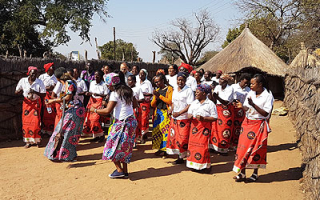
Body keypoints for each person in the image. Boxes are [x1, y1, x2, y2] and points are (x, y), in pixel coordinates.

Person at [89, 72, 137, 178]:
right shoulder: (129, 91)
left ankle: (119, 170)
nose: (107, 87)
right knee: (125, 147)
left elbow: (107, 111)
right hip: (131, 122)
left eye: (108, 85)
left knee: (111, 146)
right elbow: (135, 104)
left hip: (122, 123)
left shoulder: (115, 93)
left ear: (111, 84)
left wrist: (94, 110)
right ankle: (125, 170)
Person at [233, 74, 274, 182]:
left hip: (258, 124)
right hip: (247, 123)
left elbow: (266, 113)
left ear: (260, 84)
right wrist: (242, 106)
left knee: (256, 150)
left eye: (252, 83)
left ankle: (255, 173)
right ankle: (242, 173)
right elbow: (247, 107)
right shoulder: (251, 93)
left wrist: (253, 104)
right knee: (242, 147)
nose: (250, 85)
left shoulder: (268, 95)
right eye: (250, 83)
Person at [44, 67, 85, 161]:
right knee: (64, 132)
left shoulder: (69, 83)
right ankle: (61, 154)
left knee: (69, 133)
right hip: (71, 110)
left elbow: (67, 98)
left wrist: (52, 101)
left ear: (58, 78)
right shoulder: (66, 84)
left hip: (75, 111)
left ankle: (67, 155)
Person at [187, 84, 217, 172]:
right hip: (194, 128)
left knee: (203, 146)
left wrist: (204, 118)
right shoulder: (194, 103)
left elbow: (215, 117)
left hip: (204, 128)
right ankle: (194, 165)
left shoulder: (210, 104)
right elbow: (189, 113)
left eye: (197, 92)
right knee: (193, 146)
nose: (195, 94)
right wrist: (190, 116)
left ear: (204, 93)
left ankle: (205, 166)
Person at [166, 72, 194, 164]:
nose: (180, 82)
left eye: (182, 80)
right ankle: (179, 155)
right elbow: (173, 103)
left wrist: (179, 113)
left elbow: (189, 105)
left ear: (185, 81)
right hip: (175, 118)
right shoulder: (175, 90)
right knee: (175, 137)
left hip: (184, 118)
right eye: (179, 80)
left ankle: (182, 157)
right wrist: (171, 109)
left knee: (183, 138)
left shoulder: (188, 91)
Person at [15, 66, 46, 148]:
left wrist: (35, 92)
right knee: (26, 122)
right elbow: (16, 91)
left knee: (36, 122)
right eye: (32, 74)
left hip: (36, 103)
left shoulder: (39, 82)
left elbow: (44, 94)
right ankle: (28, 142)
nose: (34, 76)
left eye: (35, 74)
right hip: (27, 104)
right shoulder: (23, 81)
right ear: (28, 73)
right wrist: (19, 91)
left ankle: (37, 141)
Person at [210, 74, 235, 155]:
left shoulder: (230, 89)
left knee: (225, 129)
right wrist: (213, 96)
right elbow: (214, 99)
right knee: (215, 128)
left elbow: (226, 102)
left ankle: (223, 149)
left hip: (226, 111)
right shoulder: (217, 87)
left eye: (222, 79)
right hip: (217, 108)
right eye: (220, 79)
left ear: (226, 81)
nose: (219, 81)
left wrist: (217, 97)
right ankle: (214, 146)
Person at [83, 70, 109, 142]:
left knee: (95, 119)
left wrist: (99, 95)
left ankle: (101, 135)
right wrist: (88, 94)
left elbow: (106, 95)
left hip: (99, 102)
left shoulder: (104, 84)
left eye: (98, 76)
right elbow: (91, 92)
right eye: (95, 75)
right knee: (89, 119)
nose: (96, 77)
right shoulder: (92, 83)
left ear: (101, 77)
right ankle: (96, 135)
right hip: (92, 101)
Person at [151, 74, 173, 156]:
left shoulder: (169, 89)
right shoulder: (157, 90)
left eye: (158, 81)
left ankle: (165, 150)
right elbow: (152, 104)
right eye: (155, 82)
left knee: (165, 132)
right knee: (157, 131)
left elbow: (170, 101)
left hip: (166, 112)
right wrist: (156, 98)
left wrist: (159, 96)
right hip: (158, 113)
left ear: (163, 80)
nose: (157, 83)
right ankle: (159, 148)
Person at [230, 74, 251, 149]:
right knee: (230, 125)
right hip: (232, 108)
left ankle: (236, 144)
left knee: (238, 126)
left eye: (247, 83)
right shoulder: (233, 87)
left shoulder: (248, 90)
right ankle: (229, 143)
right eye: (244, 82)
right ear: (241, 80)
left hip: (241, 109)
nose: (245, 84)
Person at [39, 62, 57, 136]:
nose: (53, 68)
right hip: (45, 96)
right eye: (52, 67)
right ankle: (44, 130)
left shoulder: (55, 77)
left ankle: (51, 130)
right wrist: (47, 88)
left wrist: (54, 87)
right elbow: (39, 87)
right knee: (44, 112)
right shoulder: (42, 77)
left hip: (53, 96)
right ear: (48, 69)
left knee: (53, 112)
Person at [136, 69, 153, 142]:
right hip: (137, 102)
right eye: (140, 74)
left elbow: (151, 93)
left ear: (146, 75)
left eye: (143, 74)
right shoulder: (137, 82)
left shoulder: (148, 83)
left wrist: (143, 94)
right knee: (138, 118)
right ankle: (140, 134)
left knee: (144, 118)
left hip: (145, 103)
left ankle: (143, 135)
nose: (141, 75)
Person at [127, 75, 144, 144]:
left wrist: (134, 102)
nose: (129, 82)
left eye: (130, 80)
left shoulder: (138, 89)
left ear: (134, 81)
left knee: (135, 124)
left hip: (135, 109)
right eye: (128, 80)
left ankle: (135, 140)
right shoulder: (126, 89)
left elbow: (142, 99)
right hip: (128, 109)